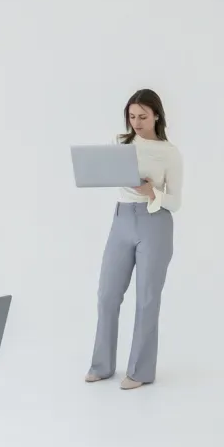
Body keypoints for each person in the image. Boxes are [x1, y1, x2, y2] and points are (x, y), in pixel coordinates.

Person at [86, 88, 184, 389]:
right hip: (122, 220)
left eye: (143, 116)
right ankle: (102, 366)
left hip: (155, 222)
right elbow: (107, 173)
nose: (137, 122)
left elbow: (176, 202)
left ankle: (140, 372)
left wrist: (152, 191)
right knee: (107, 295)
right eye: (132, 116)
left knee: (147, 299)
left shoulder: (169, 152)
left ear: (156, 115)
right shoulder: (120, 143)